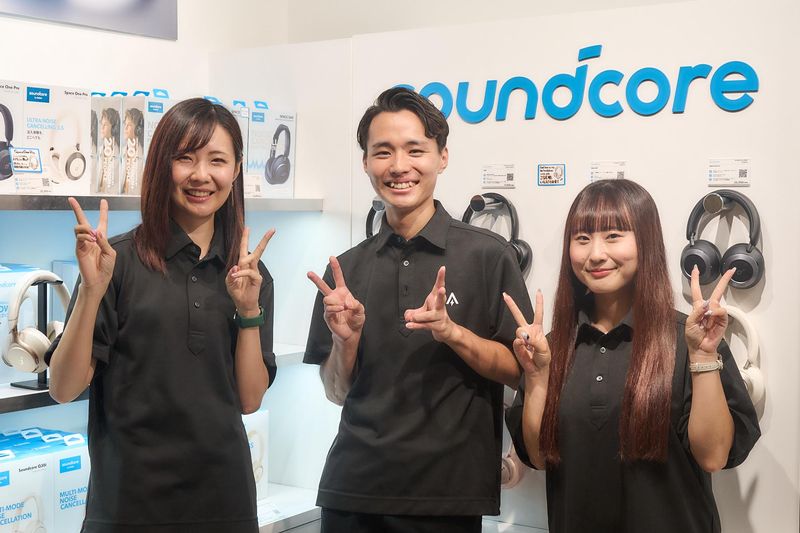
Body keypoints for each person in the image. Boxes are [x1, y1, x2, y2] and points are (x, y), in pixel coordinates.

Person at [304, 87, 533, 533]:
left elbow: (518, 371)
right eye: (382, 152)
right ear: (365, 162)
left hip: (447, 496)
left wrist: (454, 333)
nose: (398, 166)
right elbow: (336, 392)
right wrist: (344, 343)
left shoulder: (488, 256)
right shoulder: (345, 270)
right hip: (352, 491)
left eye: (415, 150)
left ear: (442, 157)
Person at [45, 98, 277, 533]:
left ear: (236, 171)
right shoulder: (115, 263)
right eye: (185, 158)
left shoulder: (248, 274)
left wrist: (249, 311)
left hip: (225, 505)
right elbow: (63, 388)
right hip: (127, 507)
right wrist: (92, 291)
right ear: (159, 166)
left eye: (217, 160)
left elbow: (249, 400)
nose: (201, 175)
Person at [504, 179, 760, 533]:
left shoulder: (689, 339)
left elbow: (713, 456)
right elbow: (538, 457)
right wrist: (536, 376)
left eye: (613, 236)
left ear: (645, 242)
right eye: (582, 238)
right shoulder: (552, 348)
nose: (595, 254)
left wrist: (702, 356)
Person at [97, 107, 120, 194]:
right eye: (101, 124)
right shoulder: (99, 151)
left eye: (105, 124)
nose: (102, 127)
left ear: (113, 128)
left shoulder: (120, 153)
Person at [122, 106, 144, 194]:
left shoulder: (143, 155)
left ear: (138, 129)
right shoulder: (122, 152)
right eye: (125, 124)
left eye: (129, 125)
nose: (125, 128)